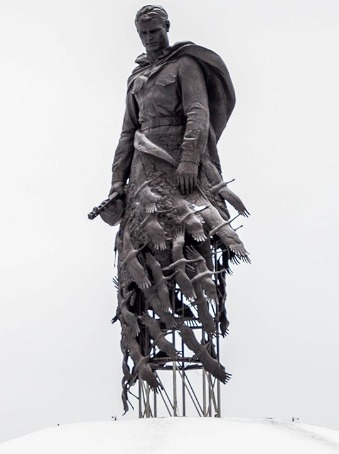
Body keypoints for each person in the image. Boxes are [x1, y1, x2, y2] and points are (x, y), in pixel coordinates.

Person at [100, 5, 250, 413]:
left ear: (167, 28)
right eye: (143, 32)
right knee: (140, 255)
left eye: (155, 30)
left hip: (180, 167)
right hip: (143, 170)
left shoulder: (185, 64)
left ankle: (186, 316)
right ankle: (161, 327)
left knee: (185, 242)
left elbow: (199, 114)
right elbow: (127, 132)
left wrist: (188, 160)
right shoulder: (136, 78)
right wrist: (116, 186)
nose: (150, 37)